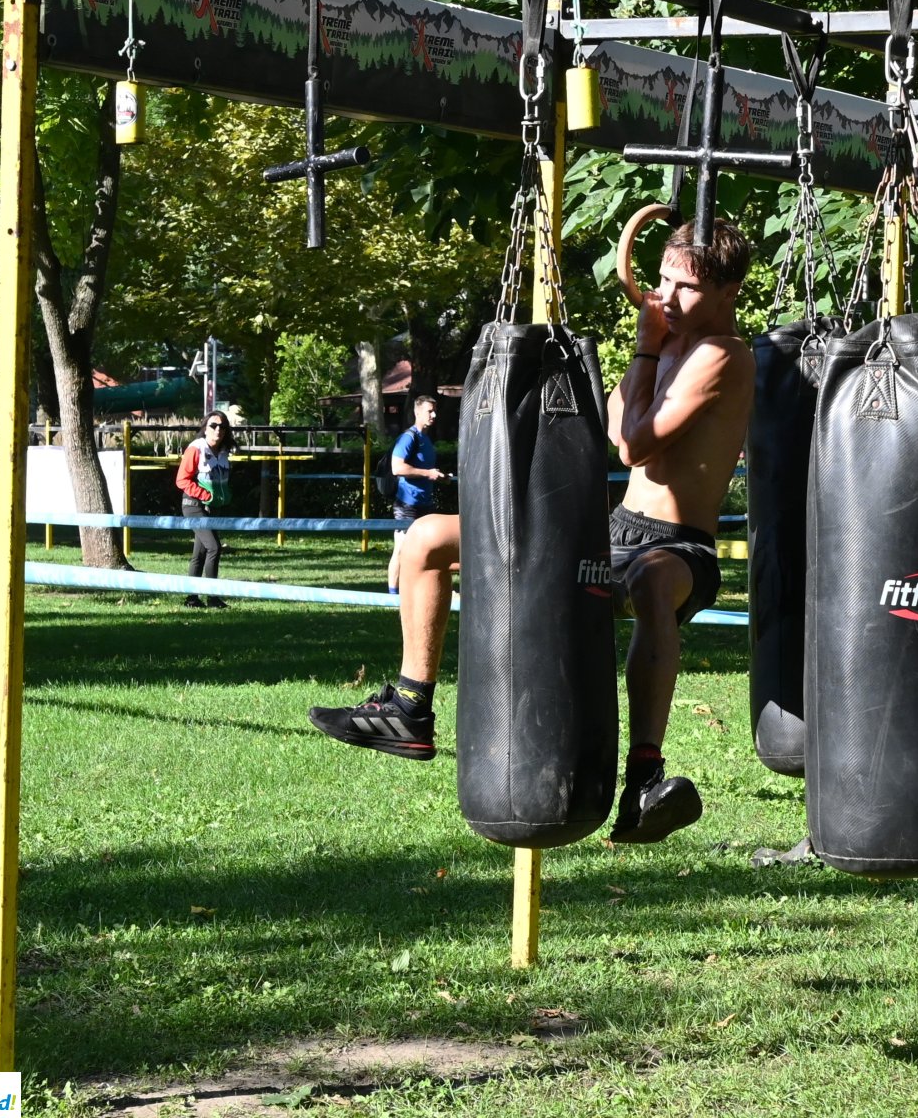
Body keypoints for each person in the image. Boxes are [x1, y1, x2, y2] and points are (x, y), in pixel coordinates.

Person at [309, 218, 756, 846]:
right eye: (662, 281)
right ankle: (410, 706)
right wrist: (646, 349)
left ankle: (645, 778)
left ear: (727, 291)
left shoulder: (721, 354)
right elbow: (611, 420)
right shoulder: (666, 344)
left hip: (678, 546)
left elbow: (631, 444)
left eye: (684, 288)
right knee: (427, 538)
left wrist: (647, 348)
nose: (666, 298)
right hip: (617, 529)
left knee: (654, 585)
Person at [387, 395, 445, 594]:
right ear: (417, 412)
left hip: (425, 504)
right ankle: (393, 597)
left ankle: (419, 591)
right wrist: (429, 474)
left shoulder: (426, 439)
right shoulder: (408, 438)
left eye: (435, 411)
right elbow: (397, 468)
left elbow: (425, 469)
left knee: (428, 551)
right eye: (430, 411)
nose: (434, 415)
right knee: (402, 550)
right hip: (407, 504)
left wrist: (440, 476)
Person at [175, 412, 234, 608]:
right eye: (214, 425)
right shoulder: (195, 449)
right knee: (214, 548)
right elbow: (182, 480)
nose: (218, 429)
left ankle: (191, 599)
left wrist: (223, 496)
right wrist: (205, 496)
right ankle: (213, 597)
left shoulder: (224, 452)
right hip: (193, 507)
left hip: (213, 509)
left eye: (222, 427)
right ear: (205, 428)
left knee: (199, 554)